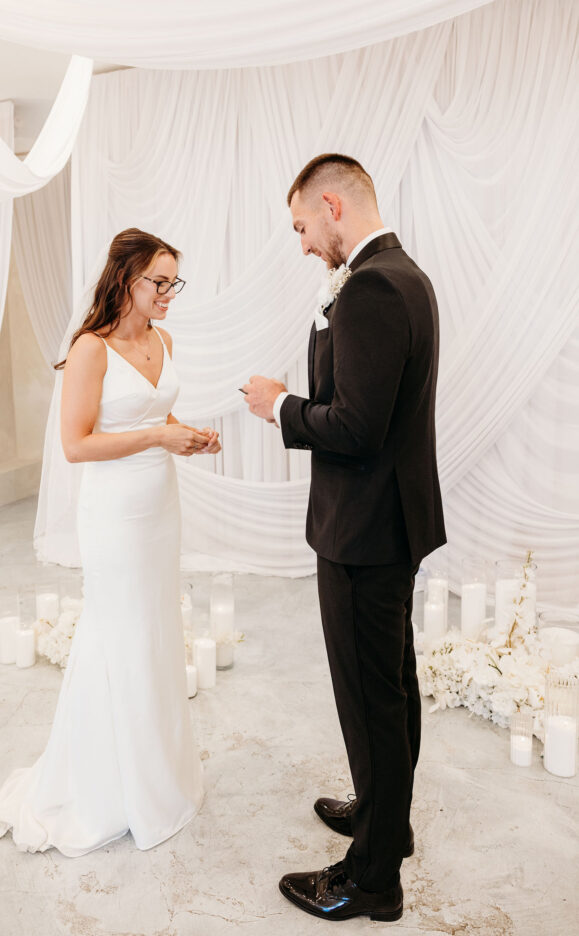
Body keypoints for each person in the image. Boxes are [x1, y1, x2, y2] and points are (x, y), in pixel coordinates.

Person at [243, 154, 445, 923]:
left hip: (363, 529)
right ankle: (383, 821)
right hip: (389, 520)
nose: (300, 245)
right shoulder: (405, 274)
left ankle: (370, 880)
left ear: (332, 205)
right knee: (390, 691)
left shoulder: (369, 287)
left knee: (370, 702)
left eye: (300, 227)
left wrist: (278, 404)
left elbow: (355, 427)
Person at [0, 227, 220, 855]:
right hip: (114, 514)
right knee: (121, 633)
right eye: (159, 282)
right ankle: (107, 785)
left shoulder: (163, 339)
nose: (169, 294)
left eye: (174, 283)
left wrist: (185, 433)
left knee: (157, 629)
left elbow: (150, 416)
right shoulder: (90, 349)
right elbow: (77, 444)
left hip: (159, 505)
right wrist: (157, 438)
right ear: (126, 280)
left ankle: (159, 774)